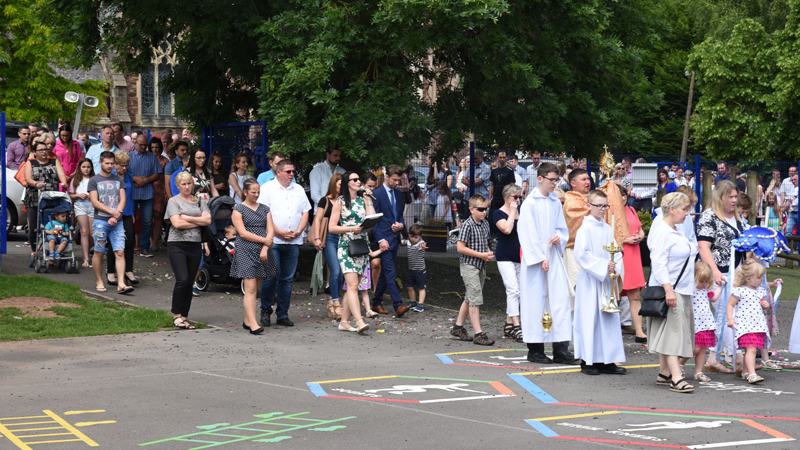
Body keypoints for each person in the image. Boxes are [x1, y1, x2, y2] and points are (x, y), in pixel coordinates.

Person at [518, 164, 580, 363]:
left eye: (557, 180)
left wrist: (559, 238)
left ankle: (560, 348)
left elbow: (563, 228)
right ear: (540, 179)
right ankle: (535, 350)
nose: (555, 184)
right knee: (536, 304)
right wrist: (539, 257)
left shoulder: (555, 201)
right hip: (538, 261)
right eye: (552, 180)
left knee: (559, 303)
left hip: (554, 256)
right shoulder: (530, 203)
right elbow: (526, 233)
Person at [647, 192, 698, 392]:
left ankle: (664, 372)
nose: (688, 213)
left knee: (673, 331)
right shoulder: (662, 231)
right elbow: (658, 263)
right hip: (671, 288)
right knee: (674, 335)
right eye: (684, 209)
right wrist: (669, 290)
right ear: (672, 209)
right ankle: (676, 377)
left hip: (682, 288)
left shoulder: (675, 229)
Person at [697, 180, 749, 373]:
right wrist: (715, 271)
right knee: (727, 314)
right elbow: (704, 247)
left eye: (736, 196)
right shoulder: (709, 217)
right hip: (718, 272)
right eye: (731, 197)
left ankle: (714, 357)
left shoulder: (738, 218)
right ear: (721, 197)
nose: (735, 200)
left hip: (737, 272)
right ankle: (738, 360)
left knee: (724, 316)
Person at [573, 190, 626, 375]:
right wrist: (604, 266)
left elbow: (616, 252)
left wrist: (615, 268)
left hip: (606, 282)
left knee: (608, 320)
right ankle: (588, 361)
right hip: (590, 280)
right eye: (599, 206)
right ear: (589, 206)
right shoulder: (584, 229)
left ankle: (607, 360)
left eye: (605, 206)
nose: (602, 209)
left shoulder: (607, 229)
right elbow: (581, 255)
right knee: (590, 320)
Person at [257, 159, 310, 327]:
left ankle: (283, 314)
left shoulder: (299, 189)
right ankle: (266, 310)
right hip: (274, 239)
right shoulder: (267, 188)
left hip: (293, 240)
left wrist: (299, 231)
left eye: (293, 171)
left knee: (287, 279)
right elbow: (264, 214)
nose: (292, 174)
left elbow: (305, 212)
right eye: (288, 171)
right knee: (271, 276)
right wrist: (278, 231)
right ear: (278, 172)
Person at [328, 170, 376, 334]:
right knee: (353, 285)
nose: (358, 182)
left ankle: (344, 322)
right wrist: (350, 228)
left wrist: (369, 200)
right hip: (346, 246)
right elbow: (332, 227)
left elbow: (372, 219)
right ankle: (359, 321)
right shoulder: (340, 202)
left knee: (352, 287)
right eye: (355, 180)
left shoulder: (364, 200)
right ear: (348, 182)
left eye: (359, 180)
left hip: (361, 246)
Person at [231, 178, 277, 335]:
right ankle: (253, 323)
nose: (256, 195)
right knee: (250, 288)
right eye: (253, 192)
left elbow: (270, 229)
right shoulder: (238, 209)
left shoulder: (265, 209)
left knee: (256, 284)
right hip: (246, 249)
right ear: (245, 192)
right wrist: (265, 240)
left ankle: (246, 319)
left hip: (262, 250)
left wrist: (265, 247)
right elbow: (243, 233)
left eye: (258, 192)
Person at [165, 172, 211, 329]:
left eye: (189, 183)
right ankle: (176, 315)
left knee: (190, 281)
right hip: (176, 244)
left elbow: (208, 220)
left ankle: (184, 317)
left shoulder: (199, 201)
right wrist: (198, 222)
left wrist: (188, 218)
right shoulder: (173, 201)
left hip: (194, 244)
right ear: (178, 186)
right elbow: (177, 224)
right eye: (183, 184)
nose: (187, 187)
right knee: (182, 279)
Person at [727, 260, 782, 384]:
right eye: (759, 277)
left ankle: (746, 371)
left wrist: (765, 304)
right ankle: (752, 374)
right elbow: (730, 305)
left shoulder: (759, 291)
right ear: (748, 279)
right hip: (745, 325)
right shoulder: (739, 290)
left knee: (750, 349)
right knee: (751, 349)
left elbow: (762, 306)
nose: (762, 279)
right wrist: (730, 318)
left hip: (757, 325)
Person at [450, 195, 495, 345]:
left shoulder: (485, 224)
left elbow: (485, 242)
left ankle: (457, 327)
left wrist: (487, 253)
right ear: (471, 209)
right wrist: (482, 255)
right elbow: (460, 248)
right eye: (481, 209)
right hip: (469, 265)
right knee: (475, 299)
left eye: (486, 209)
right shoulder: (467, 225)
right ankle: (478, 333)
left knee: (470, 297)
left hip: (481, 264)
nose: (484, 212)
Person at [88, 151, 133, 295]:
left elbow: (123, 199)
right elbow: (95, 202)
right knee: (99, 252)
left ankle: (121, 283)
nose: (109, 166)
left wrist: (117, 214)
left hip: (117, 221)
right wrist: (112, 212)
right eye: (106, 163)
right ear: (100, 163)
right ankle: (99, 281)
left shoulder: (119, 180)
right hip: (101, 220)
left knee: (120, 251)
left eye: (111, 163)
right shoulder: (94, 180)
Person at [369, 165, 411, 317]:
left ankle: (376, 302)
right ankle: (397, 304)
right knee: (390, 271)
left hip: (394, 238)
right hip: (383, 239)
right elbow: (374, 220)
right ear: (387, 176)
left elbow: (399, 215)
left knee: (385, 273)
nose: (397, 183)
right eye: (394, 180)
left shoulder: (399, 194)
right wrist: (380, 239)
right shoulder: (377, 194)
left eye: (399, 180)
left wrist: (401, 225)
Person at [680, 261, 723, 382]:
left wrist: (720, 287)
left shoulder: (705, 291)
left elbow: (714, 297)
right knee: (695, 348)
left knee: (703, 349)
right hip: (695, 324)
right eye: (701, 281)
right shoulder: (691, 290)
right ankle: (679, 363)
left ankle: (698, 371)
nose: (704, 284)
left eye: (706, 281)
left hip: (706, 323)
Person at [310, 173, 345, 320]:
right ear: (333, 184)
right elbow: (317, 219)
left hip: (344, 238)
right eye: (339, 184)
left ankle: (333, 301)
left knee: (343, 273)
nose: (341, 186)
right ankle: (335, 302)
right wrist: (317, 238)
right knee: (335, 271)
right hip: (330, 238)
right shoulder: (325, 200)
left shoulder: (345, 201)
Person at [24, 141, 68, 250]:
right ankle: (35, 249)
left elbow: (61, 173)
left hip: (51, 197)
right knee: (34, 226)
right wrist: (36, 184)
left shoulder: (54, 161)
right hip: (34, 197)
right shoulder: (30, 163)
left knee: (50, 223)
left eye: (46, 149)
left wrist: (64, 182)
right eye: (41, 150)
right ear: (35, 152)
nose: (44, 152)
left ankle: (50, 248)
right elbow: (28, 178)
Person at [493, 184, 523, 342]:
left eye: (520, 197)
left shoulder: (521, 211)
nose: (518, 200)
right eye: (515, 197)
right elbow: (506, 229)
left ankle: (509, 324)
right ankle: (517, 326)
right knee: (513, 290)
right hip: (505, 256)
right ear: (506, 197)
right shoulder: (498, 213)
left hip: (519, 256)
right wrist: (512, 212)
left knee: (518, 291)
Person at [105, 152, 138, 287]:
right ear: (115, 164)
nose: (124, 168)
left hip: (127, 212)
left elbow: (130, 196)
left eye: (126, 165)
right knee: (114, 242)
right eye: (121, 165)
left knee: (130, 241)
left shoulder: (129, 176)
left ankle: (128, 270)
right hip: (114, 213)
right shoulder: (111, 178)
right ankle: (111, 271)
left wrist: (132, 213)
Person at [618, 187, 647, 342]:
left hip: (634, 255)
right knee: (613, 295)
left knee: (635, 296)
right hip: (620, 254)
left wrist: (640, 236)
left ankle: (639, 331)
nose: (622, 198)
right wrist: (625, 240)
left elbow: (640, 229)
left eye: (624, 194)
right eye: (619, 195)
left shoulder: (631, 209)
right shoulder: (609, 212)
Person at [128, 134, 163, 257]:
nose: (143, 147)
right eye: (140, 144)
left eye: (145, 145)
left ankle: (144, 248)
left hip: (147, 194)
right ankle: (130, 246)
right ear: (135, 144)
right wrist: (136, 179)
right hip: (132, 193)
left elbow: (158, 173)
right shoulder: (129, 156)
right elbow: (123, 173)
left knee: (147, 221)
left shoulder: (152, 157)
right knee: (129, 221)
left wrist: (146, 180)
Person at [562, 168, 591, 309]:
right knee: (576, 285)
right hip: (573, 249)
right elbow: (574, 218)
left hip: (590, 250)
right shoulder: (569, 198)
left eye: (588, 179)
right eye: (583, 179)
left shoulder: (589, 198)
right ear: (573, 183)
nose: (587, 182)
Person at [68, 158, 95, 267]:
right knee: (84, 232)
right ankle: (86, 258)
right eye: (84, 167)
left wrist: (92, 196)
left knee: (92, 234)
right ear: (79, 168)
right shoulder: (75, 179)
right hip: (80, 206)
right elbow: (70, 194)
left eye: (88, 167)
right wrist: (78, 195)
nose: (86, 169)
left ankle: (89, 251)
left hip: (93, 206)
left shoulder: (94, 179)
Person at [150, 138, 170, 252]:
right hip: (148, 190)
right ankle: (151, 239)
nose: (154, 150)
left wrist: (167, 192)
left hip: (160, 190)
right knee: (148, 218)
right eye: (152, 147)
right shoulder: (148, 159)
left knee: (158, 217)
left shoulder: (165, 161)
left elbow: (167, 178)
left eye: (157, 147)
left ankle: (155, 242)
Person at [403, 224, 427, 313]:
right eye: (411, 236)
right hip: (411, 269)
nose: (413, 239)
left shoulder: (421, 243)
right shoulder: (408, 242)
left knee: (421, 287)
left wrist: (423, 246)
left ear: (420, 237)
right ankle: (413, 302)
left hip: (420, 270)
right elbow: (402, 242)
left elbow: (423, 244)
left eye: (416, 237)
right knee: (409, 286)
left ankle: (420, 305)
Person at [780, 169, 798, 235]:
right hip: (791, 213)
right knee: (788, 232)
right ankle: (788, 245)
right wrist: (782, 210)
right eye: (792, 180)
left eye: (795, 180)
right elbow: (789, 201)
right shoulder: (792, 189)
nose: (793, 181)